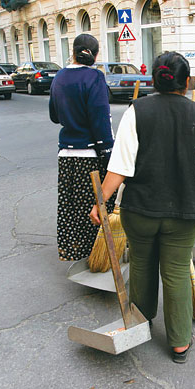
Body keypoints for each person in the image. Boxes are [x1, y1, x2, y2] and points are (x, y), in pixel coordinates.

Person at [89, 52, 195, 363]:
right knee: (176, 271)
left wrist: (101, 202)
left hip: (141, 209)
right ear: (187, 82)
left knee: (141, 263)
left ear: (153, 80)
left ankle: (142, 319)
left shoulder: (138, 111)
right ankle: (179, 342)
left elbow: (120, 166)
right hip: (184, 210)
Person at [49, 34, 117, 262]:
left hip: (66, 154)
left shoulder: (59, 76)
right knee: (96, 206)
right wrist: (108, 154)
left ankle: (73, 250)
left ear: (73, 52)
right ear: (95, 55)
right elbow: (100, 120)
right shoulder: (95, 77)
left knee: (71, 206)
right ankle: (96, 254)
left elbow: (54, 115)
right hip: (90, 154)